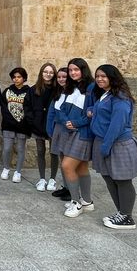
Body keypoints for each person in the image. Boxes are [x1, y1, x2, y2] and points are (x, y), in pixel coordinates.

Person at [90, 64, 137, 230]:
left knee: (122, 180)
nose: (100, 79)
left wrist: (106, 146)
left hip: (117, 144)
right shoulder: (106, 94)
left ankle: (126, 217)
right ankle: (121, 212)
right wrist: (92, 111)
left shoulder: (121, 97)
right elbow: (104, 113)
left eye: (103, 76)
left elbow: (117, 124)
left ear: (112, 77)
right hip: (104, 142)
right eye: (97, 76)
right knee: (109, 178)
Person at [47, 58, 96, 218]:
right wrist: (65, 121)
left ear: (83, 70)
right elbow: (59, 108)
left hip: (83, 133)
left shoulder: (91, 88)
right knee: (81, 167)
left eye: (76, 69)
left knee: (68, 165)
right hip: (70, 131)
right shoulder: (70, 87)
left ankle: (76, 202)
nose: (73, 73)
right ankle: (87, 202)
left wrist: (76, 122)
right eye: (70, 70)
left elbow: (93, 113)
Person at [0, 67, 33, 183]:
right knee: (7, 148)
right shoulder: (7, 91)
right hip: (8, 125)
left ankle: (18, 171)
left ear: (24, 78)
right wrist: (11, 120)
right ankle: (6, 168)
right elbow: (4, 108)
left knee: (20, 149)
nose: (16, 79)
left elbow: (29, 109)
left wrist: (24, 122)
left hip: (23, 126)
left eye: (19, 77)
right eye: (14, 77)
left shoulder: (29, 92)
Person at [29, 63, 59, 191]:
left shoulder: (58, 90)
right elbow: (28, 107)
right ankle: (42, 179)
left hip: (52, 125)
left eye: (51, 72)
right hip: (38, 125)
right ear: (41, 73)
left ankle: (52, 179)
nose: (48, 74)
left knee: (54, 152)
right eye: (45, 72)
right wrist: (32, 121)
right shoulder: (33, 89)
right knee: (40, 151)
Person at [49, 68, 72, 201]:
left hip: (66, 129)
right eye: (59, 77)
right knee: (61, 158)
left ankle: (72, 189)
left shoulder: (72, 93)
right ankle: (66, 186)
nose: (61, 79)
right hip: (58, 128)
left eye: (64, 77)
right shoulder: (58, 92)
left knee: (68, 161)